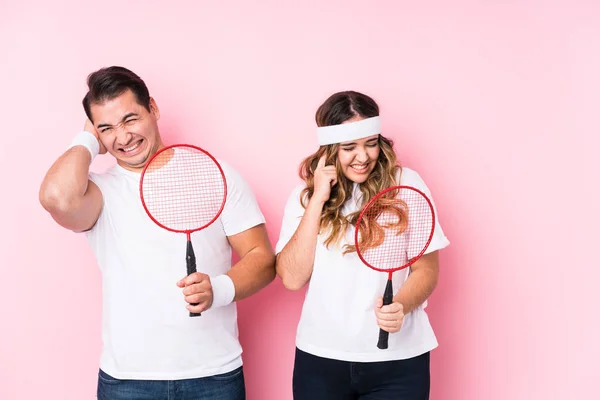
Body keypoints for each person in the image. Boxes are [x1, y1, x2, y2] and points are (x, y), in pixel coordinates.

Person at [39, 66, 275, 400]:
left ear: (154, 108)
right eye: (106, 128)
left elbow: (261, 258)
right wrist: (87, 139)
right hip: (127, 381)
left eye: (130, 119)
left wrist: (218, 290)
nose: (122, 138)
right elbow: (55, 198)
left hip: (213, 376)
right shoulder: (97, 194)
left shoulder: (216, 174)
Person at [275, 90, 450, 399]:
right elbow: (292, 278)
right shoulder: (304, 198)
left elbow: (427, 269)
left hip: (398, 362)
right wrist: (318, 199)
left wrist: (401, 305)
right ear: (330, 150)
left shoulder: (407, 185)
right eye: (349, 147)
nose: (363, 156)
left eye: (370, 144)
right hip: (321, 359)